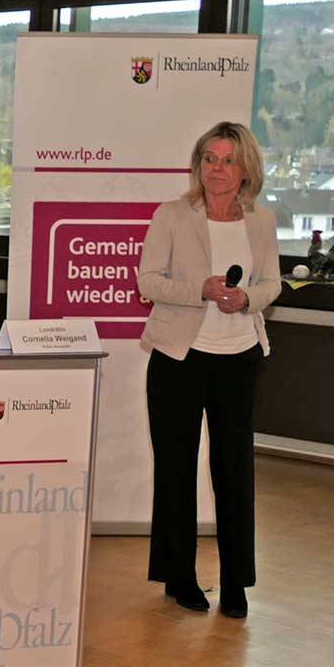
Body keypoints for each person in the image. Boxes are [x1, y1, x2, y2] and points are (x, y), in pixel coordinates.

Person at [137, 121, 281, 618]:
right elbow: (148, 281)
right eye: (210, 159)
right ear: (198, 165)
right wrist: (200, 288)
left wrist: (246, 298)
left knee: (234, 471)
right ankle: (179, 577)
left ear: (246, 169)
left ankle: (236, 583)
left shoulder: (261, 222)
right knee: (175, 471)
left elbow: (271, 285)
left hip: (240, 358)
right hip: (179, 359)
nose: (217, 169)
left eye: (228, 160)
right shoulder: (173, 215)